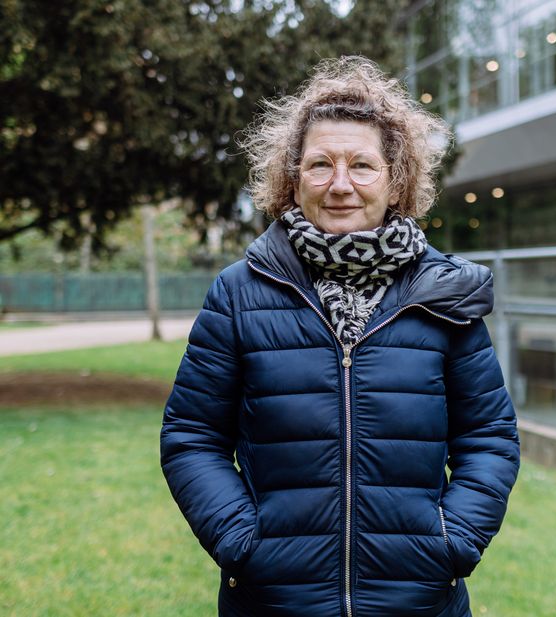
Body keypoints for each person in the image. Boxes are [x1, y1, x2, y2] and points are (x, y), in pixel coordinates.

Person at [160, 56, 520, 617]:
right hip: (273, 600)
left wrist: (454, 541)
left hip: (418, 600)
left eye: (363, 165)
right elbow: (191, 435)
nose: (340, 185)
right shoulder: (238, 293)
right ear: (292, 177)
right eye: (320, 164)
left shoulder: (444, 293)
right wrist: (241, 542)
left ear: (395, 178)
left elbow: (490, 436)